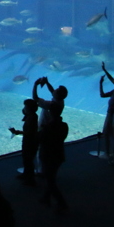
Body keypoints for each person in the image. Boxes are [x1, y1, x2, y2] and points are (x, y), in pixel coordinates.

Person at [33, 76, 68, 213]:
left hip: (48, 154)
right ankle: (46, 198)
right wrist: (47, 83)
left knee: (50, 181)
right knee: (51, 177)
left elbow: (35, 98)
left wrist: (36, 85)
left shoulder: (48, 122)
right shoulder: (60, 104)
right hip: (59, 154)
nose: (53, 91)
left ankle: (62, 202)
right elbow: (54, 91)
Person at [9, 99, 39, 185]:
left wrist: (18, 132)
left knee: (28, 160)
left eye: (25, 107)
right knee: (26, 159)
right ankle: (26, 174)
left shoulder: (32, 118)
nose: (24, 108)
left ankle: (31, 179)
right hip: (27, 141)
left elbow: (30, 132)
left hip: (30, 142)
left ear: (29, 108)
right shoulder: (31, 116)